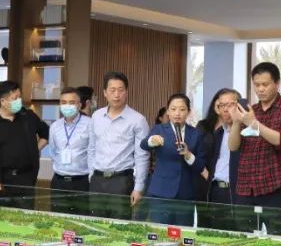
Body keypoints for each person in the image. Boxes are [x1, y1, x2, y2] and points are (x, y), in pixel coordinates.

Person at [229, 62, 281, 236]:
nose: (260, 89)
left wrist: (254, 124)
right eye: (256, 85)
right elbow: (233, 146)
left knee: (277, 240)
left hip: (276, 186)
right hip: (246, 186)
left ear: (277, 84)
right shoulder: (251, 110)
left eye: (265, 84)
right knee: (243, 239)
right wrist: (237, 122)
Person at [0, 81, 49, 209]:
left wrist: (34, 150)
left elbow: (46, 133)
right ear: (3, 101)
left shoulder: (28, 116)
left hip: (26, 180)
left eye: (20, 97)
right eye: (15, 98)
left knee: (25, 218)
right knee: (0, 217)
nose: (19, 101)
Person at [87, 71, 149, 219]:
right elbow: (91, 148)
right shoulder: (96, 116)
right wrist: (91, 174)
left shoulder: (138, 120)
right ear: (105, 93)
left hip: (121, 181)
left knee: (119, 224)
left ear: (126, 92)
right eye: (112, 90)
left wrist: (138, 187)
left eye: (120, 90)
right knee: (95, 224)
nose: (116, 95)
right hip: (97, 180)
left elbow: (142, 156)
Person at [140, 94, 208, 225]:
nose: (177, 113)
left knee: (182, 233)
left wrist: (188, 154)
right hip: (161, 192)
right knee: (159, 232)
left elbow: (201, 165)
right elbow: (143, 145)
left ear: (188, 112)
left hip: (186, 194)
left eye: (182, 109)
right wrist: (152, 140)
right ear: (168, 111)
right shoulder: (159, 129)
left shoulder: (196, 134)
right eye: (173, 109)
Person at [197, 88, 243, 229]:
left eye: (230, 104)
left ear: (239, 105)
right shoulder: (218, 133)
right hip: (215, 190)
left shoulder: (248, 132)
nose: (225, 109)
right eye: (222, 105)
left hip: (237, 193)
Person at [48, 87, 92, 215]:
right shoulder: (55, 126)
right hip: (59, 182)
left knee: (82, 219)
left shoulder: (90, 124)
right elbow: (53, 152)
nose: (67, 106)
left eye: (72, 102)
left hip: (82, 182)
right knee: (58, 219)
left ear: (79, 105)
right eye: (64, 102)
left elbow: (93, 152)